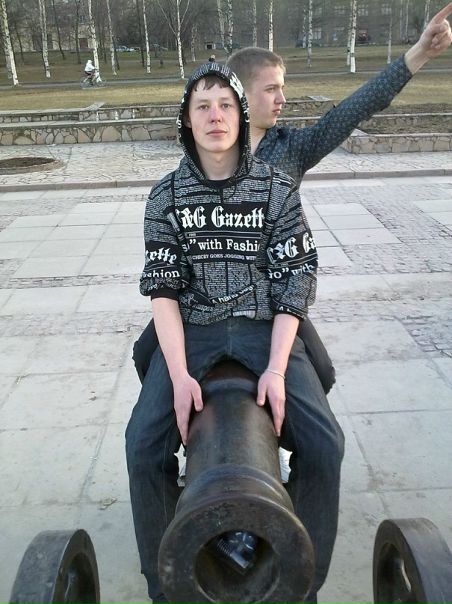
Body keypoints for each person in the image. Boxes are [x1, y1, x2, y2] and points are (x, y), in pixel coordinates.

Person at [131, 1, 452, 399]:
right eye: (271, 89)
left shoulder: (293, 148)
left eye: (282, 88)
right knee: (144, 356)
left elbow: (355, 109)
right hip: (201, 300)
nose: (282, 98)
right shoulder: (203, 151)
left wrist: (419, 53)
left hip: (269, 296)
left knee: (323, 373)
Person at [126, 62, 344, 604]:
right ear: (187, 120)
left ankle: (301, 581)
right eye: (202, 106)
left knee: (325, 444)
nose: (215, 116)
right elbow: (163, 290)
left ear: (241, 116)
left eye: (225, 104)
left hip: (262, 326)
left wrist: (276, 369)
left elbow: (296, 278)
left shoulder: (275, 188)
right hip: (195, 328)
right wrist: (179, 375)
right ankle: (166, 584)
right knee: (143, 447)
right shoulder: (165, 196)